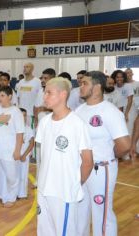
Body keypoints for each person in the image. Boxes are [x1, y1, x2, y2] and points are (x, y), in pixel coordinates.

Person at [36, 77, 93, 236]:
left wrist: (73, 183)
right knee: (44, 232)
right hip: (43, 188)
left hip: (63, 192)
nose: (44, 96)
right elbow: (44, 158)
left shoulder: (77, 124)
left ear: (63, 94)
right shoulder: (44, 122)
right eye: (44, 92)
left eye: (49, 92)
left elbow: (88, 162)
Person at [76, 71, 131, 236]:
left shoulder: (110, 111)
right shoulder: (79, 110)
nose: (81, 86)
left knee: (102, 214)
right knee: (80, 212)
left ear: (97, 87)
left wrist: (106, 156)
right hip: (81, 168)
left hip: (101, 170)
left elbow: (125, 145)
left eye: (85, 83)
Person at [0, 86, 24, 208]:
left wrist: (17, 150)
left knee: (11, 176)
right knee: (0, 174)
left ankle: (12, 197)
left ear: (10, 96)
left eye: (2, 95)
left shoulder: (16, 112)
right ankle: (1, 194)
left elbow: (20, 132)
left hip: (9, 149)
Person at [16, 63, 41, 127]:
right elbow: (18, 98)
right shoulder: (20, 82)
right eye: (24, 67)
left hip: (31, 114)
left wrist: (36, 115)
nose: (25, 68)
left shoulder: (38, 81)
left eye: (27, 67)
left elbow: (40, 98)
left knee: (31, 134)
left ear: (32, 69)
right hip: (21, 114)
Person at [18, 108, 35, 199]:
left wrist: (24, 155)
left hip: (24, 156)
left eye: (24, 115)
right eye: (21, 115)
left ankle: (22, 194)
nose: (23, 117)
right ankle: (14, 193)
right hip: (15, 156)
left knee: (23, 175)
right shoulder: (14, 128)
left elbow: (32, 143)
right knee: (15, 175)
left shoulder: (28, 129)